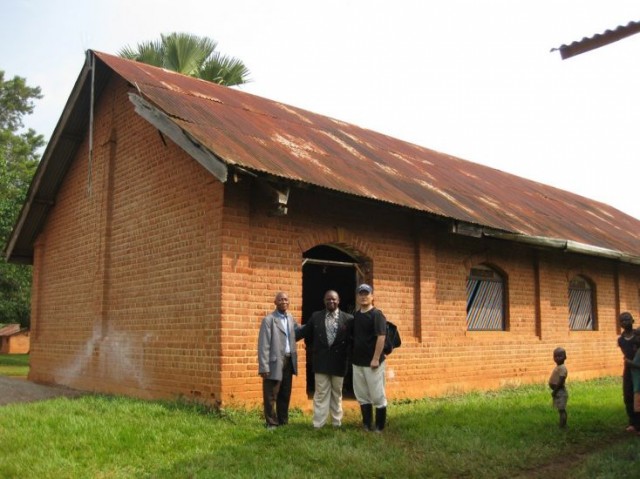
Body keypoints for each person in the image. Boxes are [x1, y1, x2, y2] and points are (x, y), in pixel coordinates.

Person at [303, 290, 354, 429]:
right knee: (320, 393)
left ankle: (337, 423)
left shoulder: (348, 319)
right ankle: (318, 424)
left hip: (339, 362)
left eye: (334, 299)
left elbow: (353, 340)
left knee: (337, 394)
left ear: (339, 301)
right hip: (321, 361)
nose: (331, 301)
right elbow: (307, 336)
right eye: (328, 299)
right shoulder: (316, 317)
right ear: (324, 301)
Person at [257, 292, 304, 429]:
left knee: (285, 392)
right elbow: (263, 345)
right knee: (271, 394)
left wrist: (312, 325)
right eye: (281, 299)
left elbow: (297, 332)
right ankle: (271, 422)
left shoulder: (290, 318)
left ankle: (283, 421)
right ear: (275, 302)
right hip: (274, 362)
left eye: (286, 299)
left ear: (289, 303)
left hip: (289, 360)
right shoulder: (269, 320)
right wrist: (264, 366)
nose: (284, 301)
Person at [352, 283, 388, 432]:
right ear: (357, 297)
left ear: (372, 296)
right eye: (361, 293)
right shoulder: (356, 315)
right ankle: (367, 424)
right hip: (357, 362)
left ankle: (379, 427)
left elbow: (381, 337)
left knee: (377, 394)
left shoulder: (377, 315)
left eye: (366, 293)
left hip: (373, 363)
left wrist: (375, 358)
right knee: (362, 394)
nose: (363, 296)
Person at [617, 312, 639, 432]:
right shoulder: (621, 340)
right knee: (628, 395)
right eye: (622, 320)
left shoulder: (638, 336)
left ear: (632, 320)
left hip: (637, 368)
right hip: (628, 370)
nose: (625, 322)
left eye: (627, 319)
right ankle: (633, 422)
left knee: (638, 395)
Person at [624, 335, 640, 436]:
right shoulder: (637, 350)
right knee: (637, 407)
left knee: (638, 407)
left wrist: (630, 363)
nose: (636, 337)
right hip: (636, 384)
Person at [548, 347, 568, 428]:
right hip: (558, 391)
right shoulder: (559, 367)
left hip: (560, 391)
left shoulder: (562, 368)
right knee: (560, 410)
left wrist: (555, 391)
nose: (557, 358)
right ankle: (561, 424)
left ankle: (563, 425)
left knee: (562, 410)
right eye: (555, 356)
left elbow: (561, 380)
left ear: (565, 357)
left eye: (560, 356)